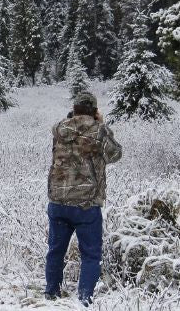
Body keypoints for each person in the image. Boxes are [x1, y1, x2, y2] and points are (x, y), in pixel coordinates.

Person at [45, 92, 122, 306]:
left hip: (58, 201)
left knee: (55, 251)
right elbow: (115, 154)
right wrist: (102, 124)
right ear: (94, 110)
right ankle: (84, 299)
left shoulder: (60, 129)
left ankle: (51, 293)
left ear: (75, 107)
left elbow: (72, 133)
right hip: (86, 203)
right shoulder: (99, 131)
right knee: (90, 254)